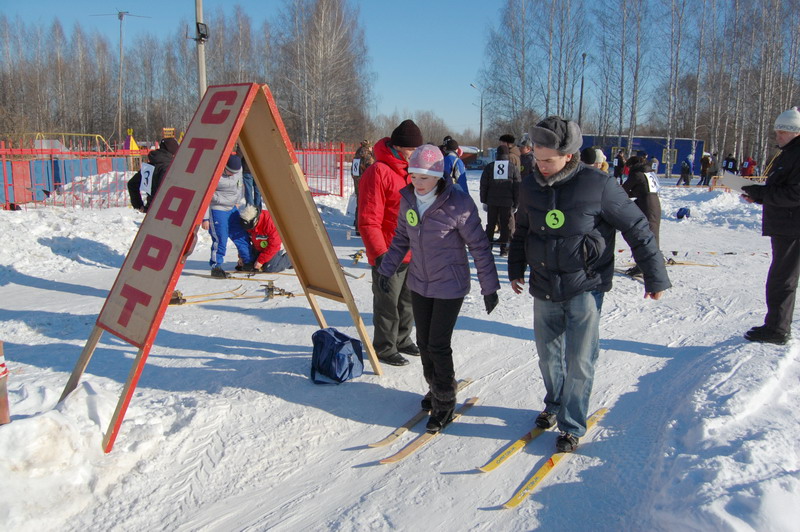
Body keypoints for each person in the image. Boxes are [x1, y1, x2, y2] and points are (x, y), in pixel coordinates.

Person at [508, 116, 670, 453]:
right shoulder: (530, 184)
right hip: (544, 284)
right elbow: (522, 228)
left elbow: (638, 227)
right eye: (536, 159)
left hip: (586, 285)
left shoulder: (599, 184)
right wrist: (515, 268)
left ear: (568, 155)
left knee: (579, 360)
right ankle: (554, 404)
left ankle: (571, 424)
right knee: (548, 357)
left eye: (548, 160)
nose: (541, 166)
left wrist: (654, 274)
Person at [377, 144, 499, 432]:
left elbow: (479, 247)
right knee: (423, 342)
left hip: (450, 284)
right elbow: (400, 239)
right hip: (419, 281)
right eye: (413, 176)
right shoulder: (408, 199)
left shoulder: (458, 203)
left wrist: (489, 287)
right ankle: (435, 386)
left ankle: (445, 402)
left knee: (438, 344)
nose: (417, 183)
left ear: (439, 177)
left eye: (424, 178)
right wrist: (386, 269)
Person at [358, 119, 424, 367]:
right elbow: (368, 219)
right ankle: (385, 347)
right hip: (388, 252)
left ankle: (403, 339)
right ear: (399, 147)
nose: (416, 154)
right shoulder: (378, 172)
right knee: (388, 304)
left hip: (413, 251)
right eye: (412, 150)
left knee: (409, 301)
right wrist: (380, 254)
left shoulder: (414, 172)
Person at [741, 106, 800, 345]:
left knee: (782, 278)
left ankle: (777, 329)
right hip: (785, 224)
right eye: (776, 132)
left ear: (795, 132)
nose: (777, 137)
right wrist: (759, 195)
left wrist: (762, 194)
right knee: (780, 277)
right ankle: (775, 325)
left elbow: (795, 193)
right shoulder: (789, 153)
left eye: (781, 132)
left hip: (792, 226)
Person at [202, 155, 254, 278]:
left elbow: (239, 186)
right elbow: (204, 197)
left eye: (234, 172)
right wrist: (205, 218)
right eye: (230, 172)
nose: (232, 174)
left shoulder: (238, 171)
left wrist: (237, 200)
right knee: (221, 238)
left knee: (240, 234)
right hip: (218, 208)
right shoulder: (214, 173)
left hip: (232, 207)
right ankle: (216, 266)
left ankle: (247, 261)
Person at [622, 156, 663, 276]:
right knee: (653, 235)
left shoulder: (636, 174)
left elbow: (623, 191)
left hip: (646, 205)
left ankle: (646, 267)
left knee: (644, 237)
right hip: (654, 204)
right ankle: (652, 265)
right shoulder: (649, 172)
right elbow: (644, 189)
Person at [480, 144, 521, 257]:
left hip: (492, 201)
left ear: (497, 154)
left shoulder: (490, 167)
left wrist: (484, 200)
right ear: (507, 155)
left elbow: (484, 184)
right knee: (505, 225)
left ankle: (488, 246)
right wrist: (516, 202)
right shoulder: (513, 167)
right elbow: (517, 187)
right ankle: (504, 248)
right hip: (507, 203)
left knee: (491, 224)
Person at [127, 137, 179, 212]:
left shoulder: (149, 166)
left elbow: (132, 184)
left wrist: (139, 205)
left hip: (151, 209)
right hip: (168, 209)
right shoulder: (169, 167)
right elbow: (164, 190)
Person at [238, 204, 293, 273]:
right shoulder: (245, 222)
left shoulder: (270, 222)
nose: (249, 229)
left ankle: (291, 259)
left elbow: (274, 245)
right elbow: (243, 241)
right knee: (247, 264)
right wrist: (241, 256)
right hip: (258, 247)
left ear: (255, 220)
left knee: (270, 268)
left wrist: (260, 261)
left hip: (275, 247)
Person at [351, 140, 374, 235]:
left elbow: (353, 171)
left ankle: (357, 227)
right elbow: (372, 171)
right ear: (368, 147)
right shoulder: (368, 157)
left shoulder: (356, 156)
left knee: (359, 204)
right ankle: (363, 229)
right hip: (365, 184)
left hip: (357, 183)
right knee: (365, 206)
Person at [236, 144, 263, 208]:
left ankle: (250, 209)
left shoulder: (243, 143)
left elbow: (239, 156)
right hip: (258, 170)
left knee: (248, 191)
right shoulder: (261, 142)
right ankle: (258, 210)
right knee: (258, 191)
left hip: (247, 170)